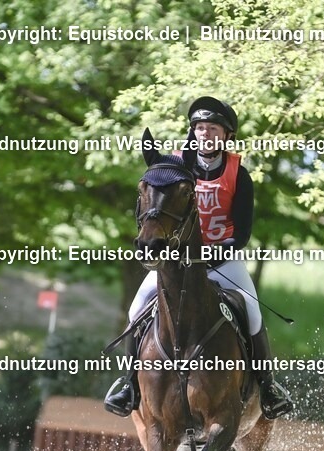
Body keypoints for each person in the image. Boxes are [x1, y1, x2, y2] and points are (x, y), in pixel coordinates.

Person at [105, 96, 293, 420]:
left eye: (213, 129)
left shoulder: (239, 173)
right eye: (200, 128)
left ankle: (268, 386)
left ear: (226, 136)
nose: (205, 134)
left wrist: (210, 254)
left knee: (251, 311)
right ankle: (128, 386)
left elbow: (243, 232)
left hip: (221, 261)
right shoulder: (173, 167)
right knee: (137, 309)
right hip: (176, 262)